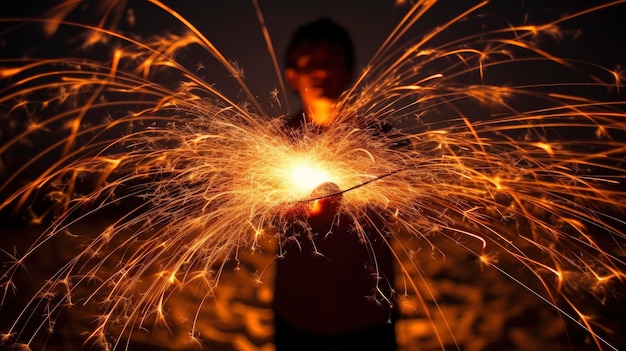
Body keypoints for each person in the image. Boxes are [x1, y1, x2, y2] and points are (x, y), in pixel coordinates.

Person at [273, 18, 397, 351]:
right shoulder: (277, 141)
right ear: (292, 75)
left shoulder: (381, 139)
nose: (322, 70)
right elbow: (258, 209)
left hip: (368, 312)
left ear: (348, 72)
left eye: (332, 60)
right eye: (310, 61)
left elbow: (408, 204)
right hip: (297, 313)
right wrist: (291, 212)